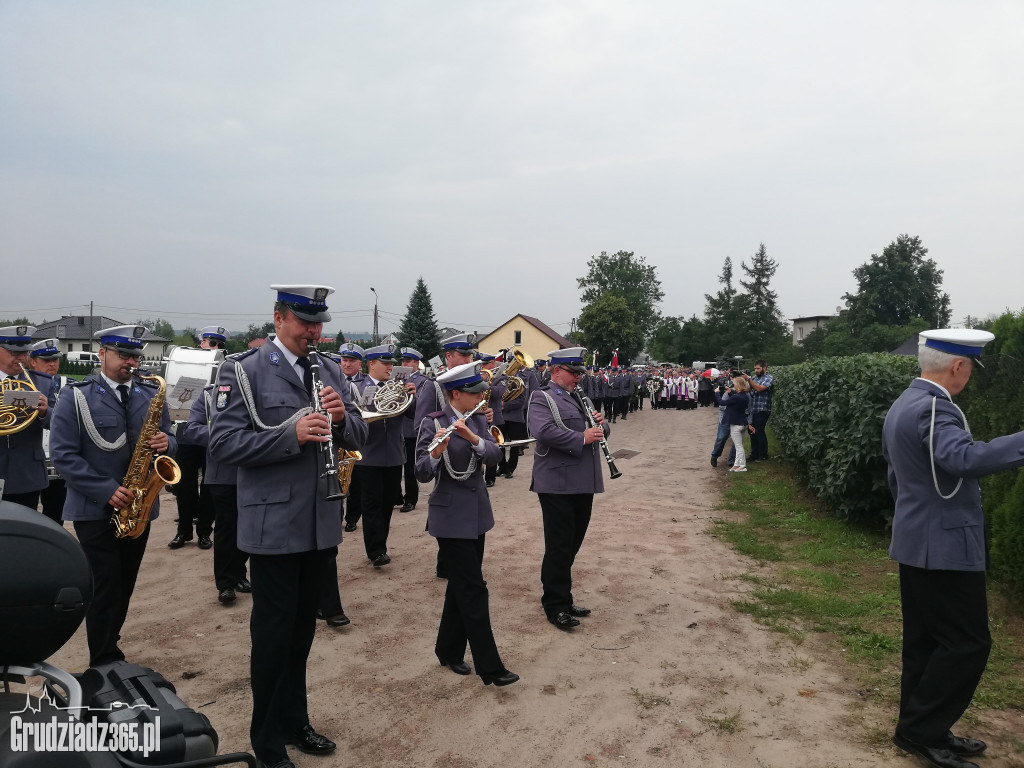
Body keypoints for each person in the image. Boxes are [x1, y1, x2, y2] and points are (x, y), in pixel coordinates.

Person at [209, 285, 368, 767]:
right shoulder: (243, 370)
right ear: (278, 319)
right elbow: (223, 445)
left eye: (318, 324)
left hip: (320, 522)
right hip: (274, 525)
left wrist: (341, 420)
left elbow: (362, 432)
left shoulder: (328, 370)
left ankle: (295, 720)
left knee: (302, 634)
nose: (313, 332)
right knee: (274, 638)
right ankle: (267, 741)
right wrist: (289, 435)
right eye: (303, 323)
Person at [883, 329, 1024, 768]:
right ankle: (923, 731)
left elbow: (897, 477)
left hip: (918, 538)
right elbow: (964, 459)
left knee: (925, 643)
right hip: (944, 545)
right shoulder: (933, 408)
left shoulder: (906, 403)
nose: (970, 377)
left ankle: (919, 729)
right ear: (959, 366)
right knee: (967, 643)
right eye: (971, 368)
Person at [49, 325, 175, 667]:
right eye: (124, 355)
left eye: (135, 355)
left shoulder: (151, 393)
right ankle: (103, 659)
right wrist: (106, 490)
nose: (131, 362)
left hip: (140, 506)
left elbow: (168, 439)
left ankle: (110, 638)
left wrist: (168, 443)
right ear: (102, 353)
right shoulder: (77, 395)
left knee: (125, 583)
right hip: (94, 508)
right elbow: (63, 454)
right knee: (106, 584)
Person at [415, 361, 519, 687]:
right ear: (455, 394)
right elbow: (420, 472)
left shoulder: (477, 419)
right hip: (448, 517)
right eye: (473, 394)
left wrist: (473, 437)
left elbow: (494, 457)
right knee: (475, 589)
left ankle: (447, 649)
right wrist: (436, 452)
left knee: (461, 586)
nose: (480, 398)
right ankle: (490, 667)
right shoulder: (432, 423)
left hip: (477, 515)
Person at [528, 347, 609, 630]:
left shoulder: (580, 396)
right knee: (559, 545)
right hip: (557, 482)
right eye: (573, 373)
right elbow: (544, 432)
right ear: (556, 371)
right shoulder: (542, 397)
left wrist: (602, 425)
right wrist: (582, 437)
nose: (578, 378)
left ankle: (563, 595)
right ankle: (555, 604)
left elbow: (598, 431)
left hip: (583, 481)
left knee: (573, 542)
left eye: (579, 373)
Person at [178, 378, 250, 605]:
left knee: (249, 526)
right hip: (223, 474)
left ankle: (239, 573)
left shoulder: (257, 392)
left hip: (255, 470)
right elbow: (191, 429)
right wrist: (224, 435)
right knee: (227, 528)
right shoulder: (210, 395)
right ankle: (225, 583)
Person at [349, 343, 415, 567]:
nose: (390, 367)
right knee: (371, 504)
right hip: (369, 455)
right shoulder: (358, 387)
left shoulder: (398, 386)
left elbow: (411, 416)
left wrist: (412, 396)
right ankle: (376, 550)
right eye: (385, 363)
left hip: (394, 455)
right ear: (371, 364)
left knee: (387, 503)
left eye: (391, 363)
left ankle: (381, 543)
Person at [169, 325, 226, 550]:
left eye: (219, 345)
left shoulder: (224, 367)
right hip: (185, 434)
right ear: (201, 342)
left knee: (210, 487)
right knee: (184, 486)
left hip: (212, 437)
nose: (214, 347)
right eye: (210, 343)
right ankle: (183, 531)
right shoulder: (187, 364)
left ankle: (204, 532)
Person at [0, 325, 55, 511]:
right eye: (14, 352)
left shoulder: (43, 383)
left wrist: (45, 411)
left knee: (23, 533)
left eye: (24, 352)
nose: (21, 357)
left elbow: (62, 423)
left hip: (27, 472)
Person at [28, 338, 67, 524]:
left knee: (56, 514)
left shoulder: (68, 385)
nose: (52, 364)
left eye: (55, 359)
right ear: (32, 361)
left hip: (56, 458)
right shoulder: (22, 385)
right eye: (46, 360)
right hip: (32, 458)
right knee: (27, 513)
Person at [337, 343, 366, 533]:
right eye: (344, 360)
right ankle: (336, 516)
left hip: (354, 436)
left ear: (359, 364)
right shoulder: (331, 380)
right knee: (335, 479)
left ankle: (352, 518)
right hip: (336, 438)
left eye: (351, 361)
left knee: (355, 481)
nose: (346, 364)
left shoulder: (363, 384)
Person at [399, 347, 431, 512]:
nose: (404, 363)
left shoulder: (423, 382)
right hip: (395, 429)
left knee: (410, 466)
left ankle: (410, 498)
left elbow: (422, 408)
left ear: (416, 363)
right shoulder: (395, 379)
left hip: (411, 429)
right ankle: (396, 495)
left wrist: (413, 397)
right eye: (403, 360)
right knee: (396, 467)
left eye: (408, 361)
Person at [746, 360, 774, 462]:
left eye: (758, 368)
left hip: (762, 409)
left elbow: (759, 389)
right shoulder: (754, 378)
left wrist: (749, 379)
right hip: (753, 409)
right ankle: (754, 454)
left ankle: (763, 455)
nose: (756, 370)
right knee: (751, 431)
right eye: (755, 369)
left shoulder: (768, 378)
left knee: (759, 431)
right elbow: (748, 389)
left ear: (764, 368)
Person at [723, 377, 750, 472]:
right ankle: (737, 464)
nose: (734, 385)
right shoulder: (745, 396)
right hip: (743, 422)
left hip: (736, 424)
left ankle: (742, 465)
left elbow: (723, 402)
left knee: (738, 446)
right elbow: (734, 400)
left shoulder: (737, 396)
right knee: (738, 445)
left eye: (735, 384)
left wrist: (717, 393)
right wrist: (730, 393)